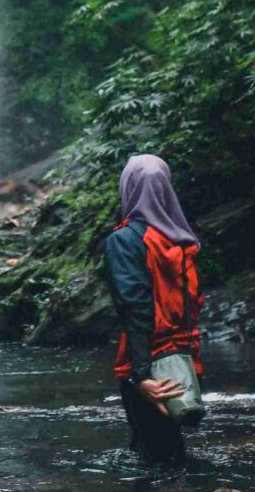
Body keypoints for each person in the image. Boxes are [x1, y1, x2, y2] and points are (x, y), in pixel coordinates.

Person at [104, 154, 203, 469]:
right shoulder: (182, 241)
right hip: (183, 361)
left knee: (158, 463)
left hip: (147, 363)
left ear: (129, 189)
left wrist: (142, 376)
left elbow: (136, 309)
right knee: (163, 452)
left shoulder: (124, 241)